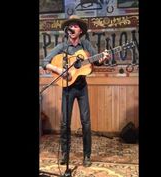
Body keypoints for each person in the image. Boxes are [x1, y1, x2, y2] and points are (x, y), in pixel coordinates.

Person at [42, 15, 110, 167]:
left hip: (81, 88)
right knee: (65, 123)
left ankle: (87, 155)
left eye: (75, 26)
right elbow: (44, 62)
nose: (72, 28)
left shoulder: (85, 45)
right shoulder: (62, 47)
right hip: (67, 88)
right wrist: (59, 69)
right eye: (70, 26)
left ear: (80, 31)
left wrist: (103, 58)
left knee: (86, 123)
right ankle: (65, 154)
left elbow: (96, 61)